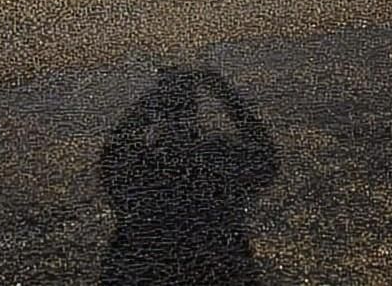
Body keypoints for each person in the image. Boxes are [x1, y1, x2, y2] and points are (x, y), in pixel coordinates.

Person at [99, 63, 278, 285]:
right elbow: (266, 155)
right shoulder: (217, 159)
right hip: (219, 270)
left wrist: (152, 100)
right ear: (195, 112)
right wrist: (222, 90)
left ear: (159, 115)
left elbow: (113, 149)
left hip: (142, 273)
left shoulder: (141, 166)